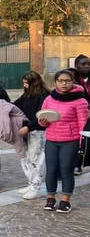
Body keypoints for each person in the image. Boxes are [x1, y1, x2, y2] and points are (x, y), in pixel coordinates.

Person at [40, 70, 88, 213]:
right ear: (55, 83)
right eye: (60, 80)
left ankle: (65, 200)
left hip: (70, 140)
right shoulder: (49, 99)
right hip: (52, 140)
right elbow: (43, 119)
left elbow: (83, 124)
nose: (64, 83)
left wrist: (82, 144)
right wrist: (42, 122)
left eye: (67, 80)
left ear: (73, 82)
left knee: (66, 170)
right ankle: (50, 198)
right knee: (51, 170)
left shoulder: (80, 101)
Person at [13, 71, 49, 199]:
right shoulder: (27, 94)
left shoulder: (44, 95)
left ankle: (36, 186)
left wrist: (28, 127)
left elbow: (41, 116)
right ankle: (31, 183)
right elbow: (16, 105)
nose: (25, 85)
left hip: (38, 131)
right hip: (28, 130)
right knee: (28, 158)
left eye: (26, 83)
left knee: (36, 160)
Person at [71, 54, 90, 174]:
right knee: (80, 139)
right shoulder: (71, 79)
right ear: (76, 65)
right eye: (83, 64)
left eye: (89, 64)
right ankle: (77, 164)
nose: (87, 66)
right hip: (78, 114)